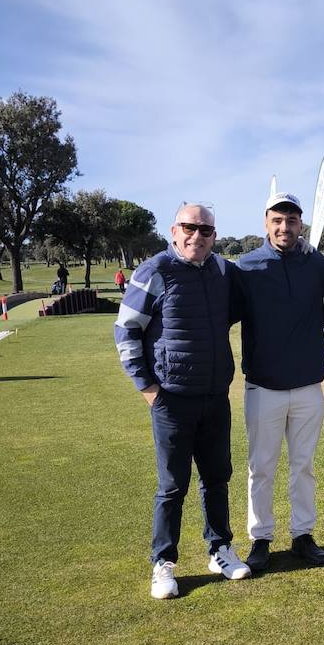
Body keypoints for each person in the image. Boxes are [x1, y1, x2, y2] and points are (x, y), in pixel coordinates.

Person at [114, 202, 250, 598]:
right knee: (173, 486)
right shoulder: (155, 271)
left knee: (217, 478)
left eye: (206, 230)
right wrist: (148, 388)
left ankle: (220, 548)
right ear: (174, 231)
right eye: (189, 228)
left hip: (215, 396)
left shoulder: (222, 270)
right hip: (171, 399)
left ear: (214, 236)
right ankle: (164, 563)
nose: (197, 236)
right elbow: (126, 332)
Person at [237, 191, 324, 571]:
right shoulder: (246, 267)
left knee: (303, 466)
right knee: (261, 467)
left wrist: (312, 325)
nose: (285, 227)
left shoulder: (317, 265)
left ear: (301, 225)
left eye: (292, 220)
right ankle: (260, 538)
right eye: (277, 220)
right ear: (266, 223)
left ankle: (303, 535)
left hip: (309, 385)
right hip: (263, 387)